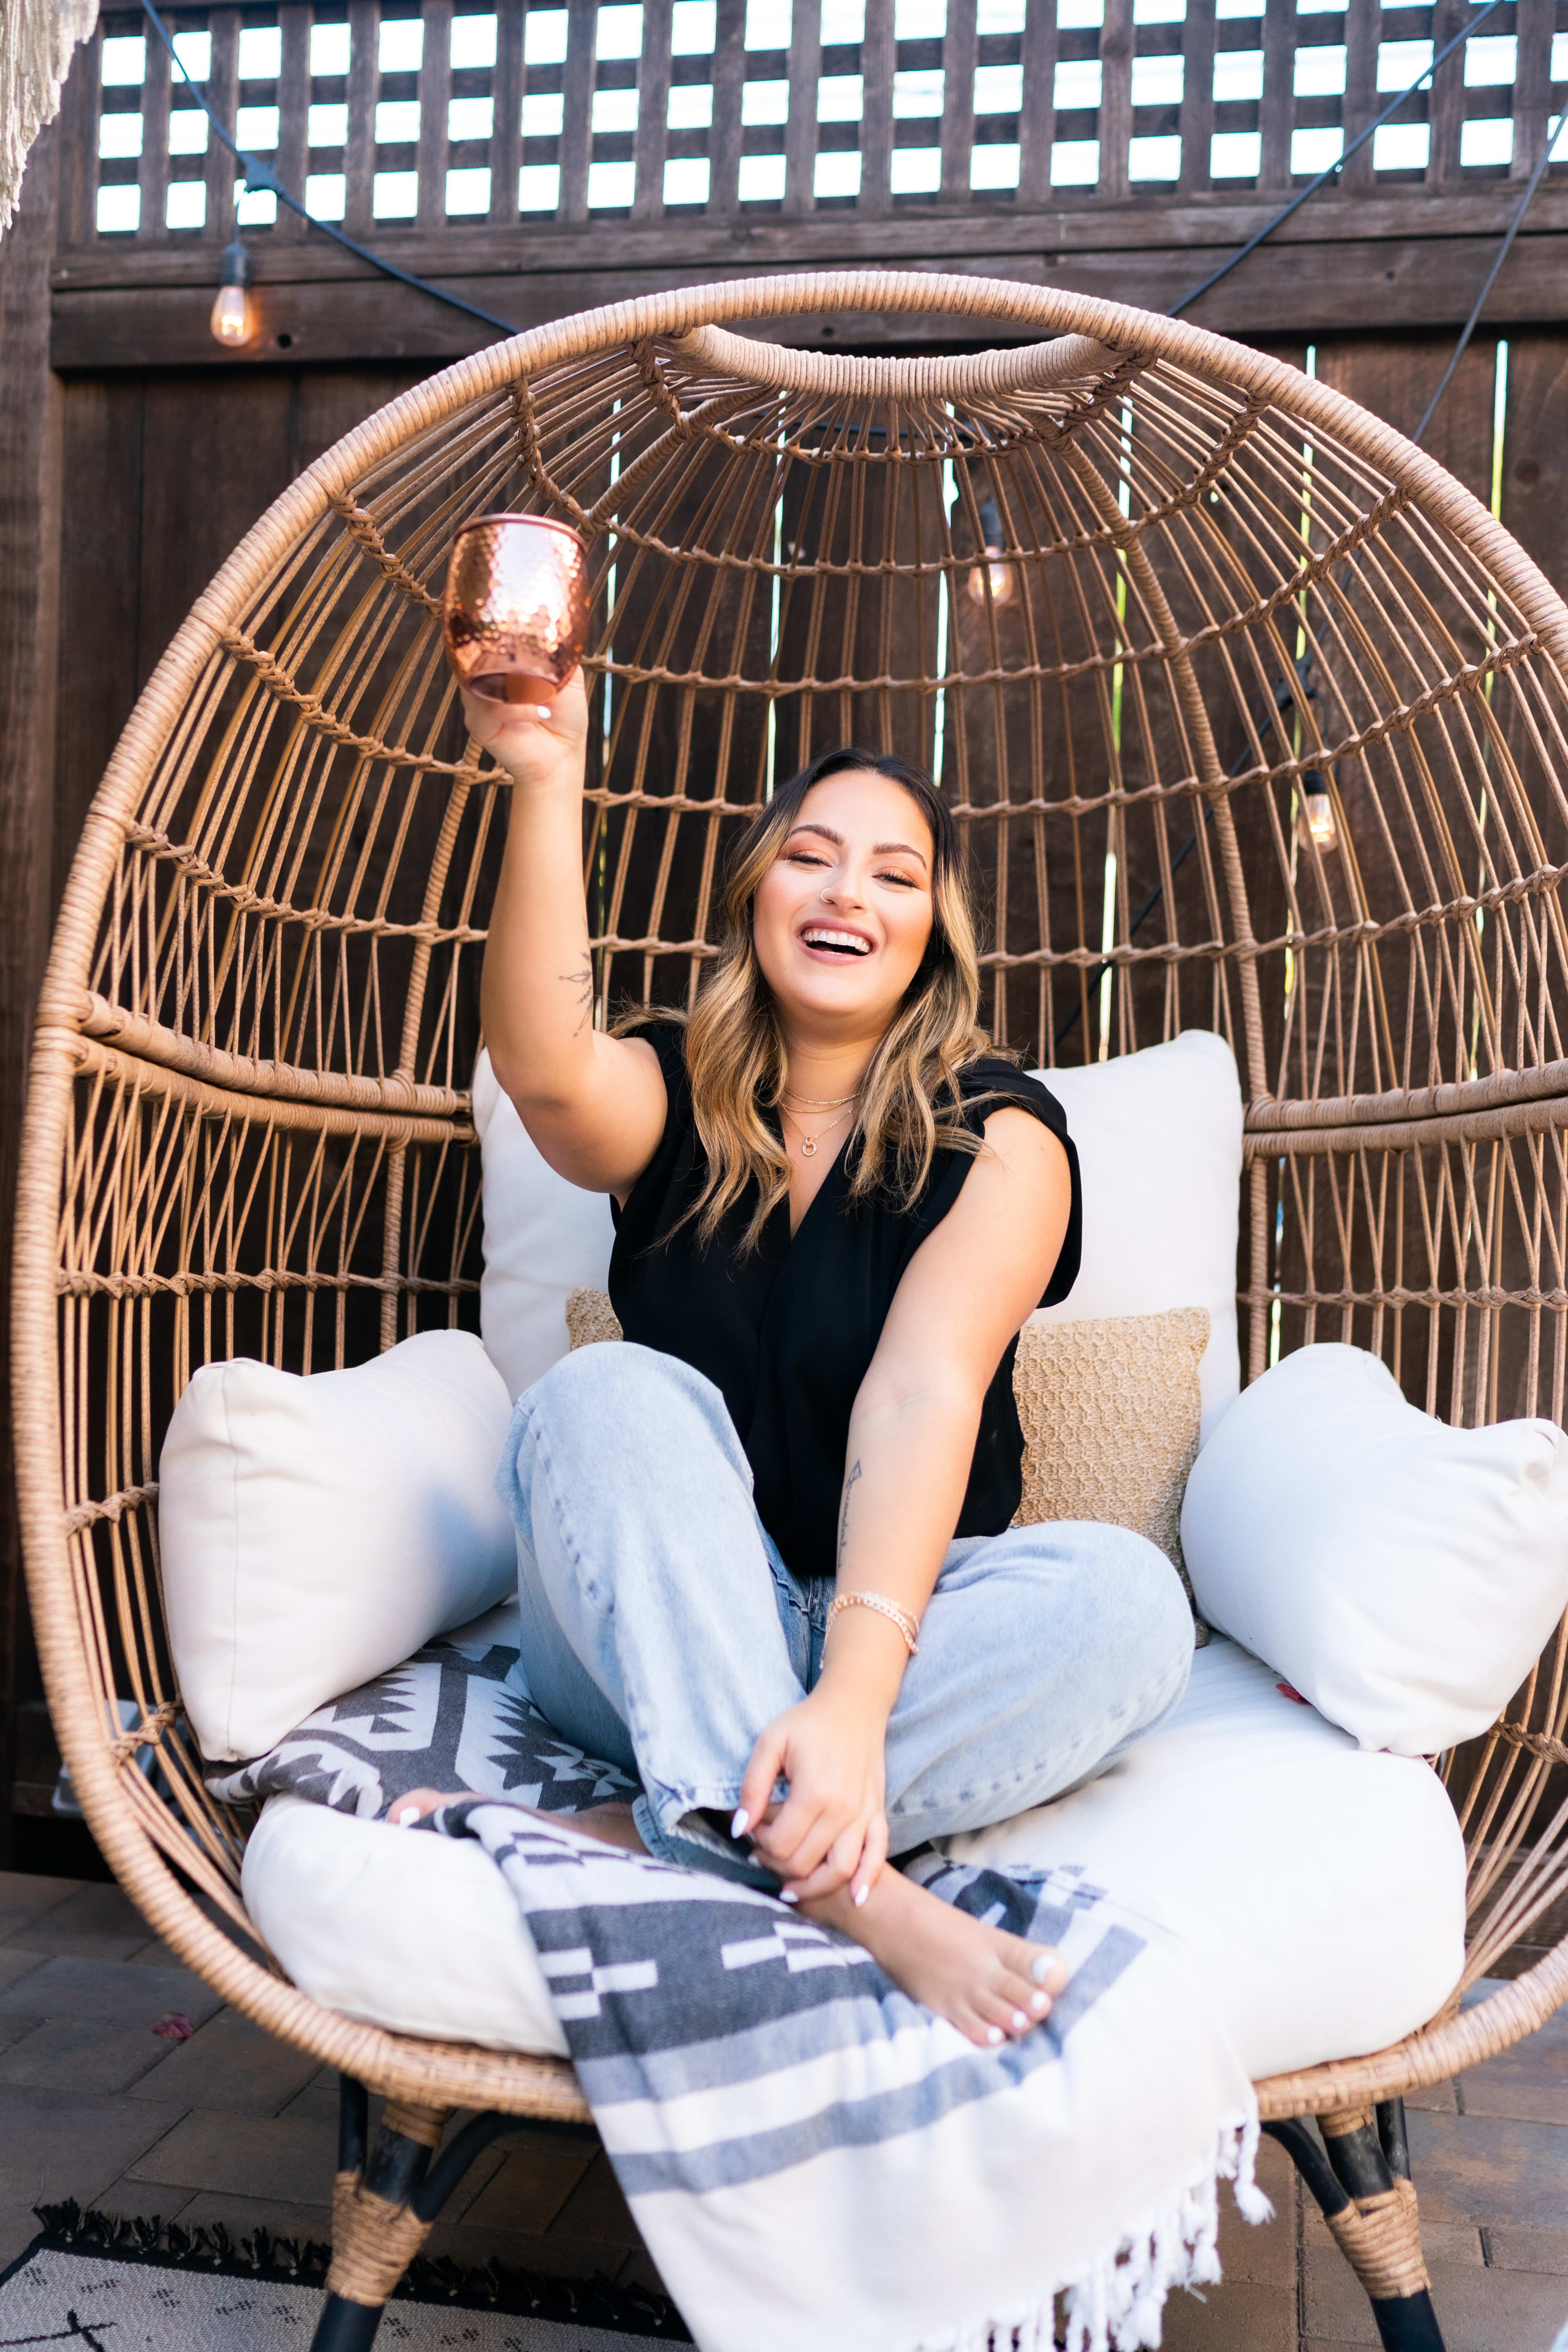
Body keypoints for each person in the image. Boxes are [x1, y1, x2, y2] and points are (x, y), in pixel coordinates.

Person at [399, 667, 1194, 2051]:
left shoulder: (1005, 1138)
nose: (846, 895)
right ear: (758, 892)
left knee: (1130, 1601)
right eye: (810, 859)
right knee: (603, 1392)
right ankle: (852, 1893)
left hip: (901, 1621)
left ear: (931, 933)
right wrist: (540, 780)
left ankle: (673, 1823)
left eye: (893, 875)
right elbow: (540, 1067)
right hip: (639, 1631)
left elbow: (923, 1388)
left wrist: (850, 1699)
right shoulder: (665, 1095)